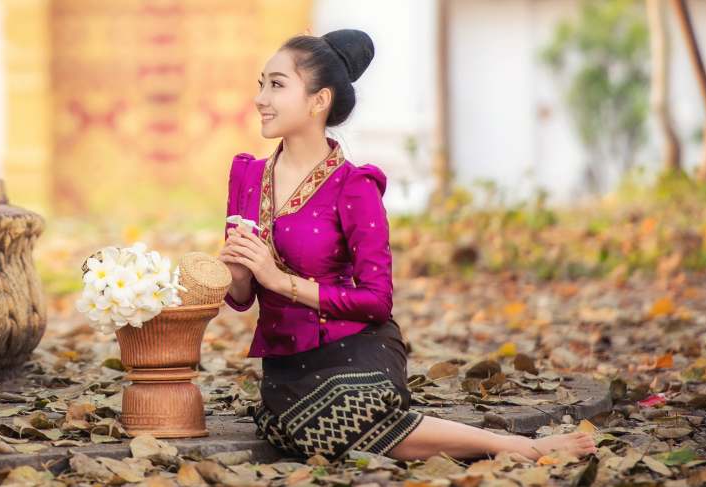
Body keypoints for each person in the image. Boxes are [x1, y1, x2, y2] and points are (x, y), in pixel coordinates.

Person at [217, 29, 597, 462]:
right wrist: (240, 275)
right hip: (286, 365)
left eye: (277, 85)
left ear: (318, 101)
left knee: (342, 416)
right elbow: (242, 298)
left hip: (355, 347)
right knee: (310, 430)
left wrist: (279, 280)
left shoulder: (354, 186)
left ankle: (512, 446)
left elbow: (377, 302)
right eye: (261, 84)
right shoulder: (246, 177)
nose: (261, 98)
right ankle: (501, 445)